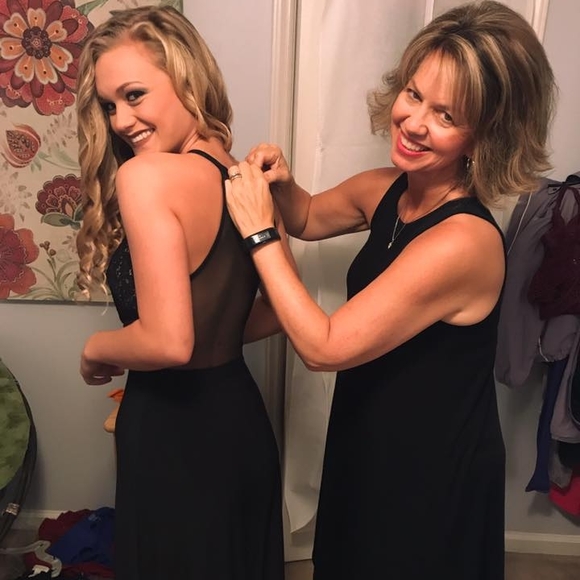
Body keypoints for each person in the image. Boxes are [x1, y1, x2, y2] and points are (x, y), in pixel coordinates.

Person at [225, 2, 556, 579]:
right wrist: (281, 185)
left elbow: (324, 346)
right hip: (369, 434)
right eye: (413, 94)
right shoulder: (388, 190)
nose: (414, 121)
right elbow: (307, 216)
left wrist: (257, 231)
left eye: (446, 114)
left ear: (488, 135)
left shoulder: (464, 241)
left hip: (431, 465)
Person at [75, 6, 288, 579]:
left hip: (173, 435)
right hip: (241, 427)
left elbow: (169, 343)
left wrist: (96, 348)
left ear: (186, 78)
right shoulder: (244, 176)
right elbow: (278, 310)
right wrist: (208, 329)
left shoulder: (145, 177)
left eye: (134, 95)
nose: (121, 121)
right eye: (109, 105)